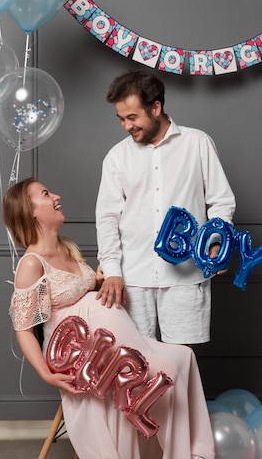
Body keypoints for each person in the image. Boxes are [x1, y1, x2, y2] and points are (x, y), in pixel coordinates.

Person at [3, 177, 233, 459]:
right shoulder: (32, 263)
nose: (57, 196)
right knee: (164, 371)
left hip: (115, 345)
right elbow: (24, 329)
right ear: (30, 211)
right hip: (83, 358)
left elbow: (77, 294)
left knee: (183, 355)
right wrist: (47, 376)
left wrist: (98, 281)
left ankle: (195, 456)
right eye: (46, 194)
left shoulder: (66, 249)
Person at [95, 70, 236, 344]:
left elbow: (221, 201)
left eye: (132, 117)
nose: (126, 125)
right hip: (132, 280)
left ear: (156, 107)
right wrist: (112, 272)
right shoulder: (116, 157)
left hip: (187, 277)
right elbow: (107, 218)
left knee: (180, 365)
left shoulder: (198, 143)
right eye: (121, 118)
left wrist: (218, 244)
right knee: (135, 368)